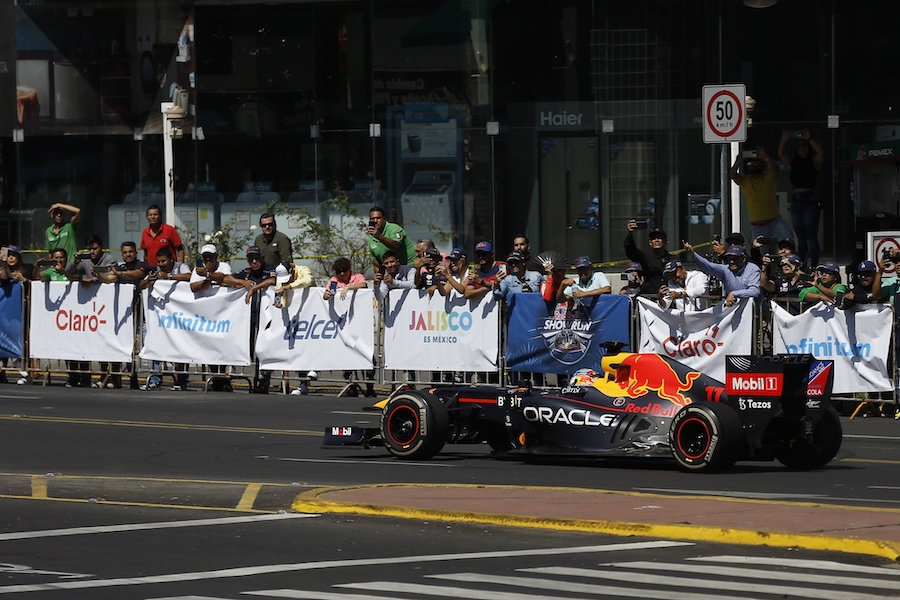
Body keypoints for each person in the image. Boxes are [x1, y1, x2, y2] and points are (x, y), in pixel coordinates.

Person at [224, 247, 277, 393]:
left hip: (266, 317)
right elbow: (226, 279)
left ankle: (264, 382)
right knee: (248, 348)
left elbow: (273, 280)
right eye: (251, 259)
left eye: (256, 258)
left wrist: (254, 288)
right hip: (248, 317)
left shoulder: (269, 270)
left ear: (262, 258)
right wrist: (241, 282)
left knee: (263, 349)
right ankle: (247, 379)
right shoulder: (246, 273)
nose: (254, 262)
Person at [142, 247, 192, 391]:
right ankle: (155, 379)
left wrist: (169, 277)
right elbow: (141, 285)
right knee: (155, 346)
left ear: (171, 259)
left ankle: (181, 380)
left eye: (163, 261)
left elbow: (189, 277)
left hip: (178, 316)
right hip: (160, 318)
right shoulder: (155, 270)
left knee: (179, 347)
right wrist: (149, 280)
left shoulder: (180, 267)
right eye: (158, 262)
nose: (161, 264)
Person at [729, 145, 793, 255]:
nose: (754, 166)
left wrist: (766, 157)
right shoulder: (745, 181)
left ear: (762, 164)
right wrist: (738, 161)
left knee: (788, 239)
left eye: (757, 163)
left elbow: (775, 168)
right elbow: (732, 174)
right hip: (757, 227)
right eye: (750, 164)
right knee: (761, 254)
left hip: (775, 221)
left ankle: (790, 263)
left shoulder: (769, 177)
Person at [190, 244, 233, 391]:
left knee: (223, 346)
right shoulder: (198, 270)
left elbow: (225, 279)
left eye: (210, 257)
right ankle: (216, 379)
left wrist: (207, 275)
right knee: (210, 346)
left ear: (216, 257)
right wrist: (209, 278)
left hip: (223, 313)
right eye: (205, 257)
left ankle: (224, 379)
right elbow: (194, 287)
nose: (208, 259)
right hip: (206, 314)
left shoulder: (224, 266)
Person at [779, 130, 824, 268]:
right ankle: (802, 265)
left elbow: (820, 153)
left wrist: (809, 138)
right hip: (796, 202)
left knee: (811, 236)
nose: (802, 147)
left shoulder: (814, 162)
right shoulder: (794, 162)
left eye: (804, 145)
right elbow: (781, 154)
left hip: (809, 201)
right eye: (799, 145)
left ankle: (814, 265)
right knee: (801, 237)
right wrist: (784, 140)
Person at [684, 242, 763, 307]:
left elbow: (755, 291)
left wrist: (734, 294)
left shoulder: (753, 269)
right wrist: (693, 254)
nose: (731, 261)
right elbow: (708, 267)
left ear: (743, 258)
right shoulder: (725, 269)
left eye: (735, 258)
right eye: (730, 258)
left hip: (755, 313)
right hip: (734, 310)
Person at [624, 222, 674, 293]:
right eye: (654, 238)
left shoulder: (673, 259)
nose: (656, 240)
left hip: (671, 296)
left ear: (666, 241)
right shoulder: (646, 258)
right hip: (650, 296)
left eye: (660, 238)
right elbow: (631, 252)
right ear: (650, 243)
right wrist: (629, 234)